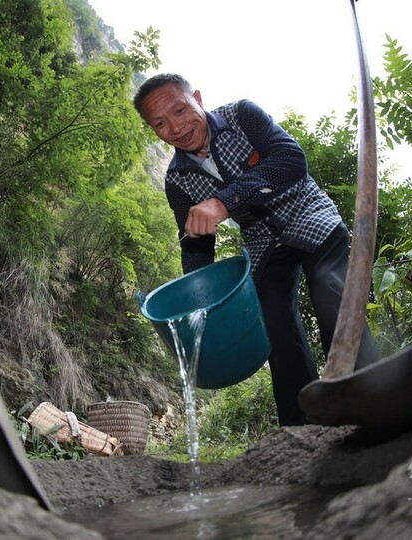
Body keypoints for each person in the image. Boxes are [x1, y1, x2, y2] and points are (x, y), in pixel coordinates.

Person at [133, 73, 378, 425]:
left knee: (330, 287)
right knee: (271, 322)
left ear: (197, 99)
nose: (176, 128)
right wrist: (200, 301)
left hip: (308, 213)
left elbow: (290, 160)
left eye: (180, 110)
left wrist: (224, 201)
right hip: (263, 241)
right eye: (160, 123)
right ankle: (303, 426)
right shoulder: (177, 180)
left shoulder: (242, 116)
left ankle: (367, 396)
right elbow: (196, 243)